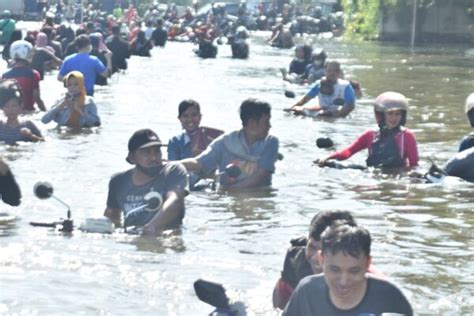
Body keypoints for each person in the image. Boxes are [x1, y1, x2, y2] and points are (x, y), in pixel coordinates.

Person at [283, 224, 413, 316]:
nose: (343, 281)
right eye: (334, 270)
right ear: (321, 260)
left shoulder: (390, 297)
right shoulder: (306, 292)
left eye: (354, 271)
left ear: (368, 263)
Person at [273, 211, 384, 309]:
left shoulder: (373, 283)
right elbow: (279, 307)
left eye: (323, 250)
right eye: (312, 246)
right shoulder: (296, 263)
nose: (317, 258)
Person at [179, 98, 279, 190]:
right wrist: (171, 164)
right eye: (266, 122)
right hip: (228, 195)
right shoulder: (225, 142)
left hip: (256, 197)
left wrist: (229, 192)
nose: (269, 126)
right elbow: (199, 163)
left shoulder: (270, 142)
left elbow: (260, 177)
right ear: (252, 123)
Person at [104, 129, 189, 236]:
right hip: (131, 237)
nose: (154, 157)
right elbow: (112, 216)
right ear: (132, 158)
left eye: (157, 151)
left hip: (166, 236)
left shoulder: (172, 171)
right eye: (146, 152)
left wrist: (151, 227)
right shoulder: (118, 181)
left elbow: (175, 200)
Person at [317, 91, 419, 169]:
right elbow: (349, 151)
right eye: (390, 114)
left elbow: (414, 165)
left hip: (398, 176)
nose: (394, 118)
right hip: (374, 173)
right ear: (382, 115)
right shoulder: (370, 134)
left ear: (402, 116)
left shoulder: (407, 136)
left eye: (397, 114)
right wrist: (328, 157)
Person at [168, 100, 224, 189]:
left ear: (200, 117)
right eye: (185, 116)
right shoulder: (175, 142)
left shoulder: (212, 138)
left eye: (194, 115)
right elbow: (173, 169)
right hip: (187, 183)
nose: (190, 119)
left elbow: (220, 166)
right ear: (179, 119)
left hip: (209, 183)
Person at [285, 60, 355, 118]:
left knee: (324, 115)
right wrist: (292, 107)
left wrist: (337, 116)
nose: (332, 73)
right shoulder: (319, 84)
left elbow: (351, 105)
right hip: (321, 110)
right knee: (295, 111)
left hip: (337, 112)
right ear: (325, 71)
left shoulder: (345, 86)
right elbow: (306, 98)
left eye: (335, 71)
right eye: (329, 71)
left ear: (339, 72)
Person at [2, 40, 46, 112]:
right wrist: (44, 111)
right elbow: (37, 98)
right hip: (28, 110)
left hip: (11, 113)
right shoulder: (34, 74)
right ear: (28, 54)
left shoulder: (5, 75)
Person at [0, 80, 43, 145]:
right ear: (2, 108)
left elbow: (43, 141)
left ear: (20, 107)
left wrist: (31, 136)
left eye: (14, 106)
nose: (11, 109)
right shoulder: (1, 125)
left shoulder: (28, 124)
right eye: (7, 106)